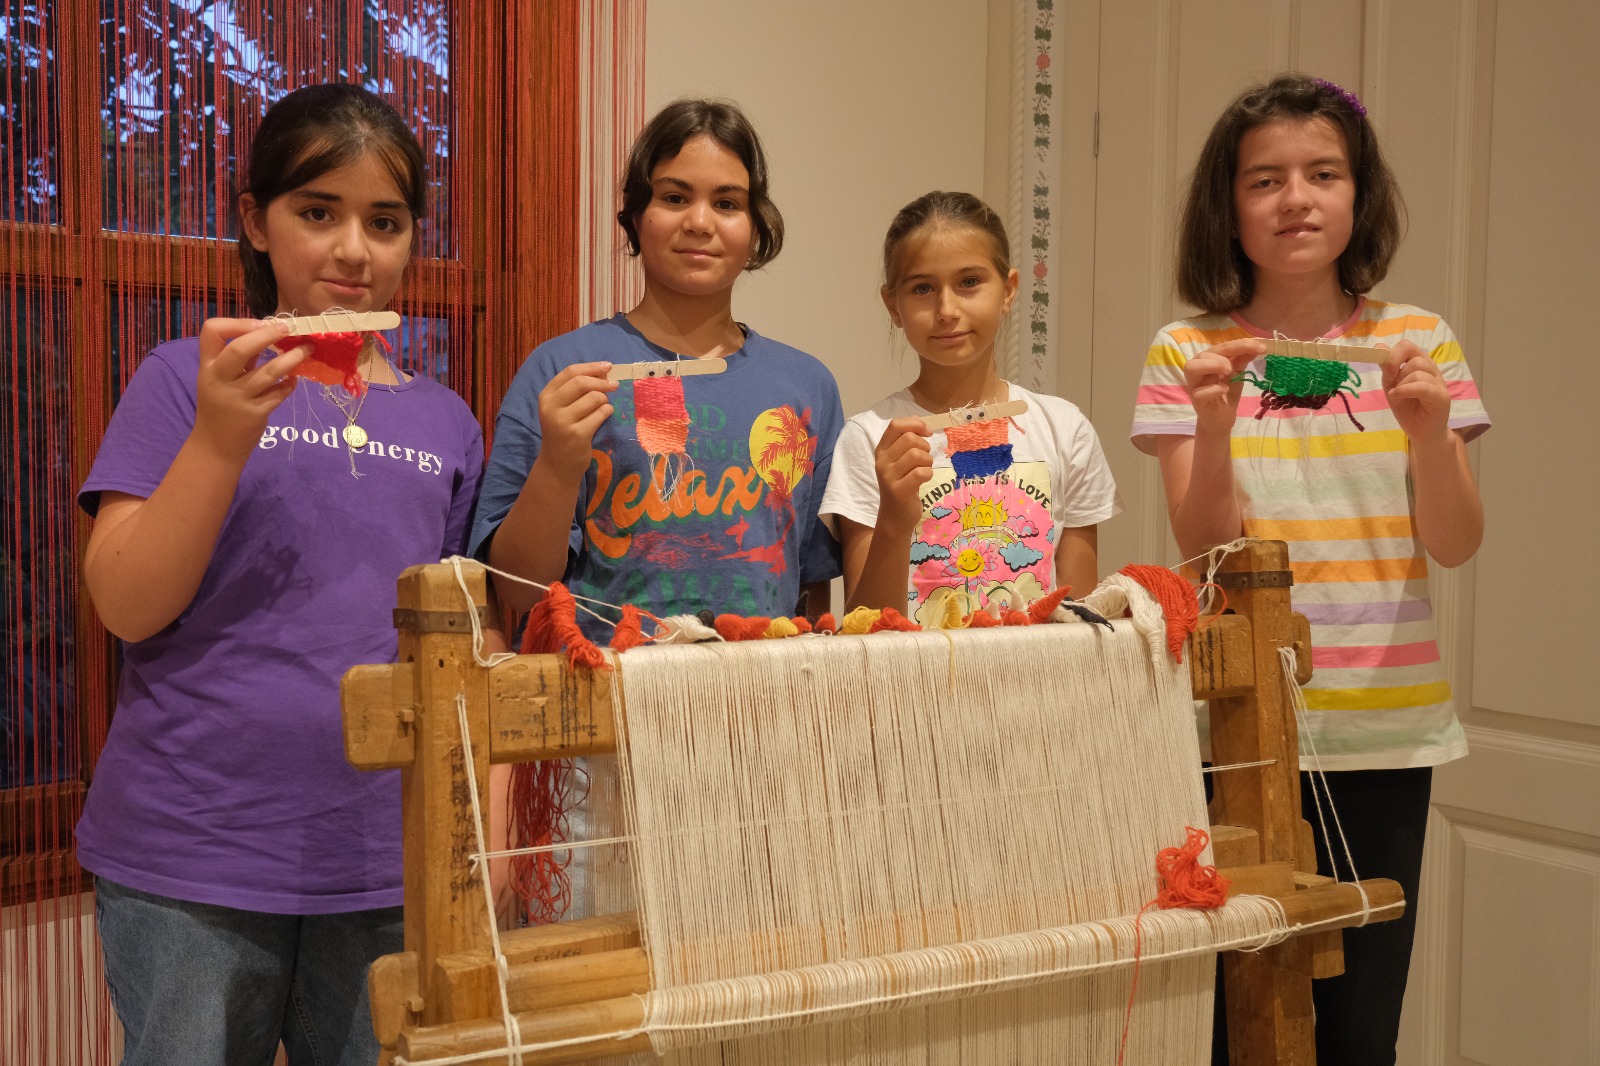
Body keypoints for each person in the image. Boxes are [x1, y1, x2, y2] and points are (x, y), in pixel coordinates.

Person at [77, 83, 484, 1066]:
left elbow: (462, 641)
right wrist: (222, 432)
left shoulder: (448, 421)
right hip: (190, 855)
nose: (353, 249)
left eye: (383, 222)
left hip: (387, 857)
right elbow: (127, 603)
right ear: (255, 221)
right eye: (318, 212)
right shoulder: (183, 377)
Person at [1129, 73, 1489, 1065]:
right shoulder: (1186, 349)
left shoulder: (1415, 342)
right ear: (1227, 208)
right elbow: (1207, 552)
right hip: (1234, 727)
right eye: (1264, 179)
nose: (1295, 197)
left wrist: (1428, 435)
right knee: (1222, 1011)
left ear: (1357, 195)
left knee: (1358, 1024)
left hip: (1384, 722)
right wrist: (1210, 419)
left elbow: (1455, 540)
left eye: (1322, 173)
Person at [469, 98, 842, 631]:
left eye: (728, 203)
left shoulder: (808, 386)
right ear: (636, 216)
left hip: (761, 702)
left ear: (757, 225)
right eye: (674, 197)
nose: (699, 222)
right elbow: (517, 589)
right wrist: (556, 464)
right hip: (603, 699)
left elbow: (812, 591)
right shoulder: (564, 369)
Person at [820, 191, 1119, 625]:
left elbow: (1080, 616)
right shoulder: (871, 438)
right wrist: (893, 522)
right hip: (916, 688)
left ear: (1008, 290)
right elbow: (866, 629)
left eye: (969, 282)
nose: (946, 310)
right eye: (923, 288)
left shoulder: (1064, 428)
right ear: (894, 306)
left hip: (1036, 686)